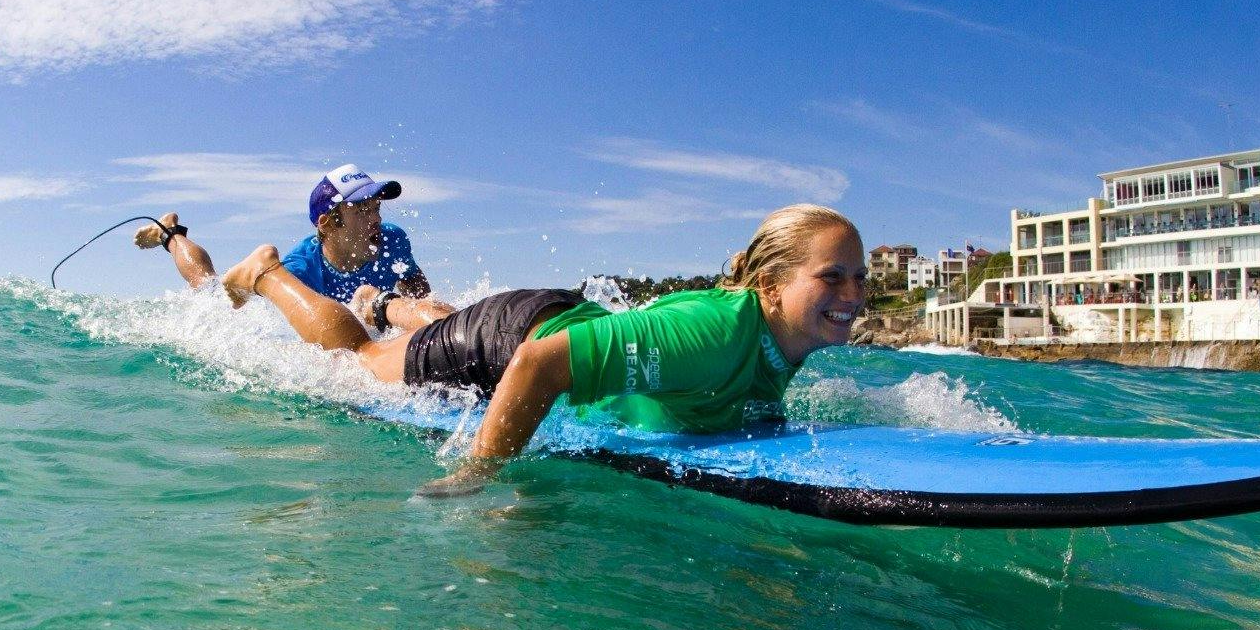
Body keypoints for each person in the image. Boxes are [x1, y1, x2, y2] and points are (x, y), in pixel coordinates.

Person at [217, 203, 867, 496]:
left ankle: (387, 304)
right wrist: (478, 475)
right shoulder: (715, 330)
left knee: (429, 322)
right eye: (831, 277)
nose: (853, 294)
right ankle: (268, 273)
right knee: (358, 363)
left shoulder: (785, 339)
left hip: (546, 320)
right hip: (513, 339)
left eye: (859, 278)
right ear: (769, 288)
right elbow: (541, 364)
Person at [137, 163, 452, 334]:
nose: (376, 217)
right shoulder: (298, 268)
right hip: (240, 302)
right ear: (328, 223)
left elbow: (412, 279)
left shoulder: (392, 239)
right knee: (205, 284)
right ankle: (170, 234)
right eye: (362, 209)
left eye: (376, 206)